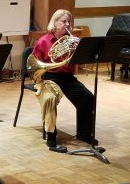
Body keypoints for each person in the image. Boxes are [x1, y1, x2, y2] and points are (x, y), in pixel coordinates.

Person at [31, 9, 96, 153]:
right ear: (54, 23)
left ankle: (84, 133)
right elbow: (34, 66)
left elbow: (79, 61)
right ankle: (51, 139)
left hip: (67, 78)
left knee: (88, 97)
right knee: (50, 99)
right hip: (48, 78)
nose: (67, 24)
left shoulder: (71, 40)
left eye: (69, 22)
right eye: (63, 21)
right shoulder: (43, 42)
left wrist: (80, 48)